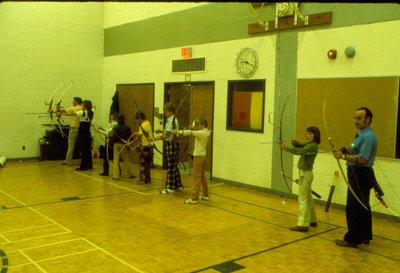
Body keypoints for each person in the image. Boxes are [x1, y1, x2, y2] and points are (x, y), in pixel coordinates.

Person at [333, 107, 377, 248]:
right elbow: (354, 150)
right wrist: (343, 150)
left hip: (361, 174)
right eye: (355, 118)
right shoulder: (360, 134)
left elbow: (363, 159)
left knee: (354, 206)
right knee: (363, 205)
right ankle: (365, 235)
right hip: (356, 173)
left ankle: (352, 239)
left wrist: (344, 156)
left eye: (359, 118)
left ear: (368, 119)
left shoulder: (369, 136)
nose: (356, 121)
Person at [279, 126, 320, 232]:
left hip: (306, 174)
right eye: (307, 133)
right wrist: (296, 143)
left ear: (315, 136)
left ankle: (303, 224)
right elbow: (302, 145)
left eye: (310, 134)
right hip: (304, 173)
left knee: (302, 198)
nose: (307, 135)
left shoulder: (313, 146)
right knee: (308, 197)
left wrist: (285, 148)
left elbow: (300, 151)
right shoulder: (310, 144)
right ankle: (312, 220)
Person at [173, 117, 211, 204]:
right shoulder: (205, 131)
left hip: (198, 157)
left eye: (199, 125)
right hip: (202, 156)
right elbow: (192, 130)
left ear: (203, 125)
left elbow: (190, 132)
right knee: (201, 176)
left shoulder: (202, 133)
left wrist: (178, 132)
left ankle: (194, 199)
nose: (197, 126)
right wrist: (191, 127)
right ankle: (205, 195)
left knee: (196, 178)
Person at [58, 100, 94, 170]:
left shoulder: (82, 112)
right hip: (87, 134)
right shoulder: (91, 111)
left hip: (82, 134)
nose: (82, 106)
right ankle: (89, 165)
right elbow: (93, 107)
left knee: (83, 150)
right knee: (88, 150)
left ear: (85, 105)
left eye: (83, 104)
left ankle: (83, 166)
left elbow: (72, 114)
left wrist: (61, 113)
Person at [156, 102, 183, 194]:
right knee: (174, 165)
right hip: (171, 144)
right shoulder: (170, 120)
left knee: (171, 166)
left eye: (166, 111)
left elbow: (167, 135)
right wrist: (160, 131)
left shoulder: (172, 120)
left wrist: (155, 138)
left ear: (171, 111)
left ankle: (170, 187)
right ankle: (178, 185)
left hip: (172, 144)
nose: (164, 113)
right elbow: (168, 131)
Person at [108, 114, 134, 180]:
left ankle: (116, 176)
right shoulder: (127, 128)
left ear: (117, 120)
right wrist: (130, 144)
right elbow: (131, 137)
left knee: (116, 160)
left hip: (116, 144)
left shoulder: (115, 128)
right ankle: (129, 174)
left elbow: (113, 137)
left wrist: (110, 143)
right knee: (126, 159)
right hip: (124, 144)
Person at [61, 97, 82, 165]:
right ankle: (68, 160)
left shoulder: (77, 108)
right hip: (78, 129)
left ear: (77, 102)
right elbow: (69, 114)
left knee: (71, 145)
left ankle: (68, 161)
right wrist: (60, 113)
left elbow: (67, 110)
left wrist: (56, 110)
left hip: (74, 129)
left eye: (74, 101)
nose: (72, 102)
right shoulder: (79, 109)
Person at [96, 110, 118, 176]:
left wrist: (99, 131)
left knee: (112, 157)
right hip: (108, 141)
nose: (110, 116)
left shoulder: (115, 124)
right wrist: (102, 129)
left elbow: (109, 133)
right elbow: (107, 131)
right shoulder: (111, 123)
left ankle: (115, 171)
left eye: (112, 115)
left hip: (111, 141)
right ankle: (106, 171)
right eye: (110, 115)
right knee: (107, 156)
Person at [135, 111, 154, 184]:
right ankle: (147, 180)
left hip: (147, 147)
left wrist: (131, 142)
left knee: (143, 164)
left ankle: (144, 180)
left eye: (137, 119)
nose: (137, 121)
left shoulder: (143, 125)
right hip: (149, 147)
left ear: (140, 118)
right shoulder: (147, 123)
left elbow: (139, 136)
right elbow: (141, 135)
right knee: (147, 164)